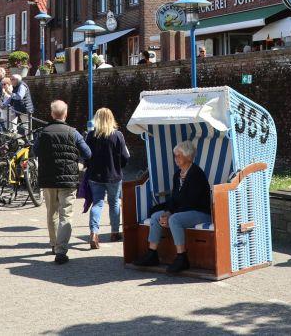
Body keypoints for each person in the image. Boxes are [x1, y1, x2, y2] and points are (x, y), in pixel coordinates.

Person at [134, 140, 211, 274]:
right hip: (183, 211)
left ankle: (182, 258)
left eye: (178, 156)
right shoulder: (178, 175)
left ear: (188, 156)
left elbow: (191, 202)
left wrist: (171, 214)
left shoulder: (197, 174)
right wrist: (167, 211)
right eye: (175, 155)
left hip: (200, 211)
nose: (175, 159)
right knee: (156, 216)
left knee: (174, 219)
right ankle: (152, 254)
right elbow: (175, 199)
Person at [33, 100, 91, 265]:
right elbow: (88, 153)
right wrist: (76, 159)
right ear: (65, 114)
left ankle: (53, 244)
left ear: (52, 114)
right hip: (68, 179)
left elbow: (34, 151)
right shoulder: (73, 133)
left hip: (48, 179)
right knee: (66, 214)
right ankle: (61, 250)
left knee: (52, 212)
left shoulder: (43, 133)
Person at [84, 107, 130, 248]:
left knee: (97, 203)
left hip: (95, 175)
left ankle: (94, 233)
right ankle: (115, 232)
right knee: (114, 202)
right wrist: (119, 166)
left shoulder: (91, 136)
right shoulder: (118, 135)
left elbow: (86, 156)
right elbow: (125, 157)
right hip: (113, 176)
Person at [6, 74, 34, 139]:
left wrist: (10, 93)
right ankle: (13, 139)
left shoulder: (22, 86)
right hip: (18, 109)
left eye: (12, 79)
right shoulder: (15, 86)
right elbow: (12, 98)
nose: (11, 81)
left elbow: (19, 97)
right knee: (13, 124)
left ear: (17, 80)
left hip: (25, 109)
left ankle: (30, 142)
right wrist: (5, 104)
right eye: (10, 79)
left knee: (27, 127)